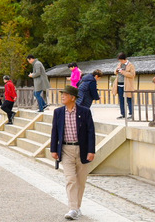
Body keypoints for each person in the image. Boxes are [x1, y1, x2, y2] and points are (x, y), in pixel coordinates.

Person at [50, 85, 96, 220]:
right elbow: (55, 131)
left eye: (65, 94)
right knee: (71, 179)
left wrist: (91, 151)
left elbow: (91, 132)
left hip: (82, 149)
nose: (62, 96)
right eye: (62, 94)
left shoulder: (85, 111)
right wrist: (53, 149)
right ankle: (73, 208)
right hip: (66, 150)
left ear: (73, 97)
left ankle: (77, 207)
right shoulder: (58, 112)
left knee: (81, 181)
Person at [115, 53, 135, 119]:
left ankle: (131, 114)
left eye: (121, 60)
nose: (120, 61)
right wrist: (117, 70)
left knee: (129, 99)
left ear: (124, 59)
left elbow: (132, 75)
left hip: (127, 84)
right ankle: (123, 114)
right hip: (119, 84)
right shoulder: (119, 64)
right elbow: (115, 72)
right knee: (121, 100)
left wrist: (123, 72)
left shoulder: (130, 65)